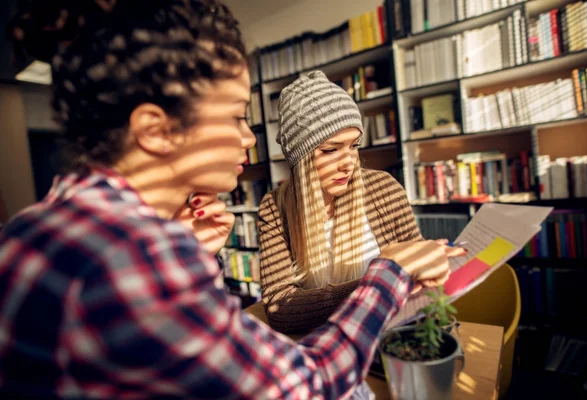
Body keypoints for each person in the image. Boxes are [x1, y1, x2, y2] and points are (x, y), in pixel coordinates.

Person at [0, 1, 458, 398]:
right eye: (237, 117)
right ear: (156, 130)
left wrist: (196, 259)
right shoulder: (132, 258)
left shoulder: (30, 229)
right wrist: (389, 275)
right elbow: (307, 386)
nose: (248, 141)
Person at [258, 71, 458, 333]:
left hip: (391, 335)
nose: (348, 163)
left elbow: (421, 280)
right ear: (299, 158)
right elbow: (280, 310)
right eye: (331, 150)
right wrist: (380, 281)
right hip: (324, 344)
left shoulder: (384, 189)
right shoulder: (275, 208)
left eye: (354, 146)